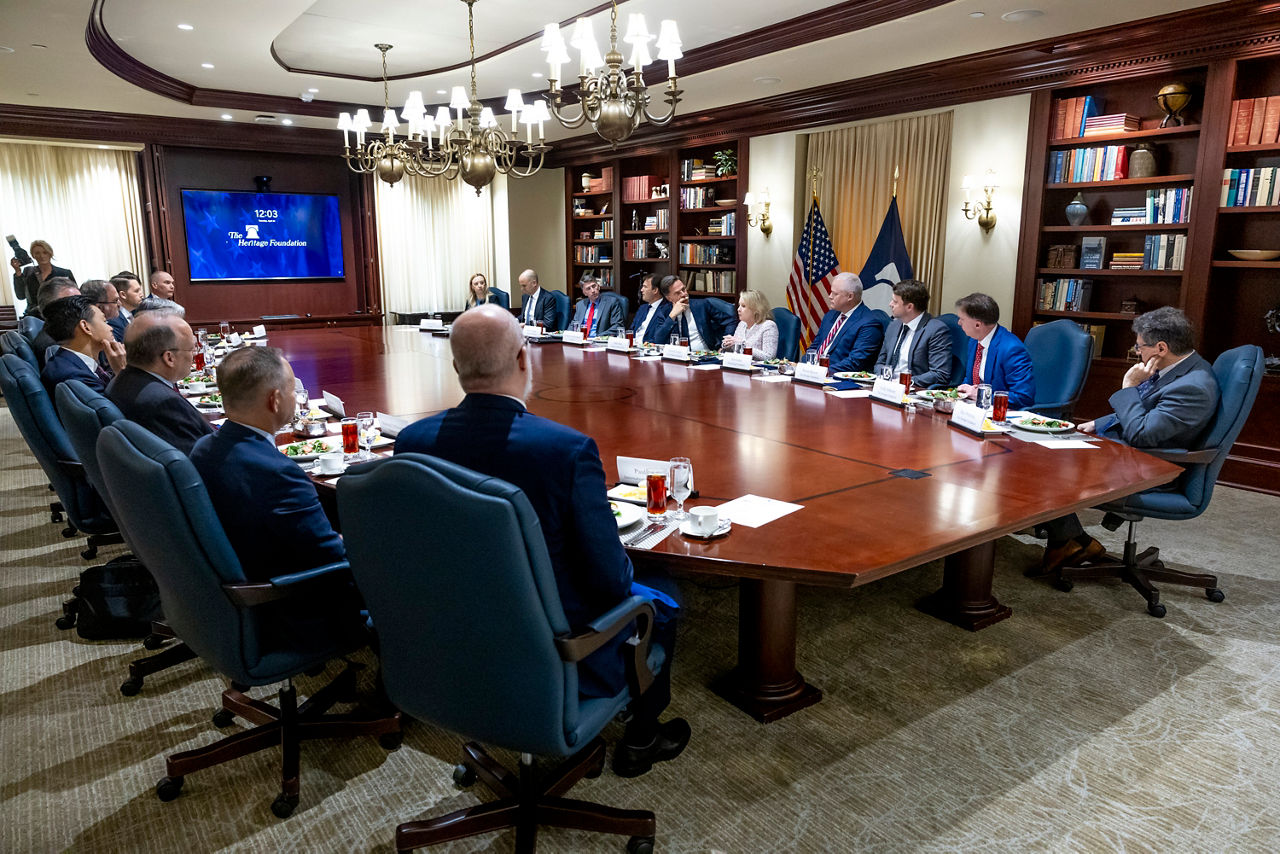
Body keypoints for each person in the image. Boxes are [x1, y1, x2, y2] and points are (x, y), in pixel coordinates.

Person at [395, 305, 689, 778]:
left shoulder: (413, 442)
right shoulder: (565, 451)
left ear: (456, 367)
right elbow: (611, 581)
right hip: (555, 650)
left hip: (452, 636)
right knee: (663, 593)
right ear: (523, 359)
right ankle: (642, 736)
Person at [1031, 307, 1220, 576]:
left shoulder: (1193, 387)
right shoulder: (1180, 367)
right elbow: (1146, 406)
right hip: (1132, 452)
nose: (1137, 351)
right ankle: (1074, 541)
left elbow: (1141, 433)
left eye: (1139, 346)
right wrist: (1098, 424)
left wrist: (1129, 386)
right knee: (1041, 449)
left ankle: (1069, 541)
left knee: (1040, 467)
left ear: (1161, 348)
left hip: (1152, 469)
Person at [189, 347, 344, 582]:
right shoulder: (279, 473)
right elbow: (331, 555)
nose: (296, 397)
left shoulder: (202, 449)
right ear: (275, 400)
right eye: (293, 390)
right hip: (296, 592)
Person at [107, 309, 214, 455]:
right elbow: (200, 458)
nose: (195, 355)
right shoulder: (164, 403)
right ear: (169, 358)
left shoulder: (122, 380)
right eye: (191, 349)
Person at [953, 293, 1036, 409]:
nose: (959, 323)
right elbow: (972, 380)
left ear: (977, 325)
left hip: (1003, 413)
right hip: (975, 410)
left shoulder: (1011, 349)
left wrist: (982, 396)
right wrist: (965, 388)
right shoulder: (974, 341)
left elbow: (1023, 397)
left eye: (962, 319)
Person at [38, 295, 126, 397]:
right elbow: (115, 406)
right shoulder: (74, 377)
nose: (110, 328)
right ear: (86, 327)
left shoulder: (69, 362)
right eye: (104, 321)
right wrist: (122, 372)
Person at [872, 279, 952, 388]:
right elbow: (880, 363)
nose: (890, 304)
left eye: (895, 302)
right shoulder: (893, 326)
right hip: (887, 388)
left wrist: (903, 382)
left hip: (913, 389)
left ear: (909, 307)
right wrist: (886, 380)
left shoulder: (936, 330)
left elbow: (940, 373)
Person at [809, 273, 883, 372]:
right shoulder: (830, 315)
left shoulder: (869, 323)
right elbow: (814, 348)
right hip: (813, 373)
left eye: (835, 294)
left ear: (850, 296)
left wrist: (821, 372)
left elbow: (855, 362)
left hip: (836, 376)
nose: (830, 296)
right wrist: (804, 367)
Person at [649, 275, 736, 351]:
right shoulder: (664, 311)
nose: (684, 294)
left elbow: (731, 320)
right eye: (678, 293)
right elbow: (658, 340)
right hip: (677, 357)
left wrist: (724, 344)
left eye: (683, 289)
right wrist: (672, 316)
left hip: (705, 356)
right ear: (669, 298)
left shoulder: (702, 305)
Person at [29, 278, 81, 367]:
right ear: (52, 309)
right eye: (74, 303)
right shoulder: (55, 347)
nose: (83, 308)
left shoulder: (66, 334)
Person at [10, 239, 74, 312]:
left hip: (60, 312)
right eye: (37, 253)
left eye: (45, 252)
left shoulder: (64, 273)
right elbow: (20, 296)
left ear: (50, 253)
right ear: (33, 256)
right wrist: (18, 272)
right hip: (35, 314)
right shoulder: (29, 273)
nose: (42, 256)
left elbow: (75, 296)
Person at [722, 289, 779, 360]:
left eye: (743, 306)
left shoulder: (769, 326)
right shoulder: (742, 324)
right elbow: (736, 351)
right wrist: (728, 345)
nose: (738, 309)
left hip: (758, 366)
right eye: (739, 305)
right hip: (740, 364)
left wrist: (742, 344)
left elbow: (769, 357)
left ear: (756, 309)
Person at [630, 274, 670, 344]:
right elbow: (631, 330)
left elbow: (661, 336)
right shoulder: (642, 308)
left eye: (645, 287)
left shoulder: (667, 309)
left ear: (655, 290)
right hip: (633, 346)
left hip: (649, 348)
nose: (641, 290)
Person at [108, 272, 144, 342]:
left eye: (140, 290)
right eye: (136, 291)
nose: (141, 295)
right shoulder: (114, 321)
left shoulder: (137, 313)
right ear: (123, 295)